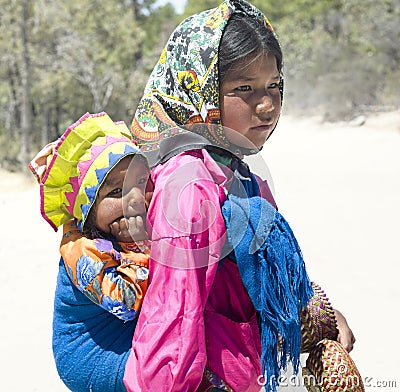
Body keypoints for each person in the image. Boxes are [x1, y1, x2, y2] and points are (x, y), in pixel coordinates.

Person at [123, 1, 357, 391]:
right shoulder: (190, 185)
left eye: (274, 85)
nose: (266, 105)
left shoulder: (237, 171)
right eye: (243, 88)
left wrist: (323, 317)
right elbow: (172, 327)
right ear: (199, 90)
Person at [30, 112, 151, 390]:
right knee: (178, 362)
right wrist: (143, 249)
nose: (134, 199)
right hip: (91, 357)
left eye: (140, 183)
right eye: (116, 191)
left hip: (123, 336)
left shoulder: (128, 224)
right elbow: (125, 301)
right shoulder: (79, 249)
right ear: (88, 211)